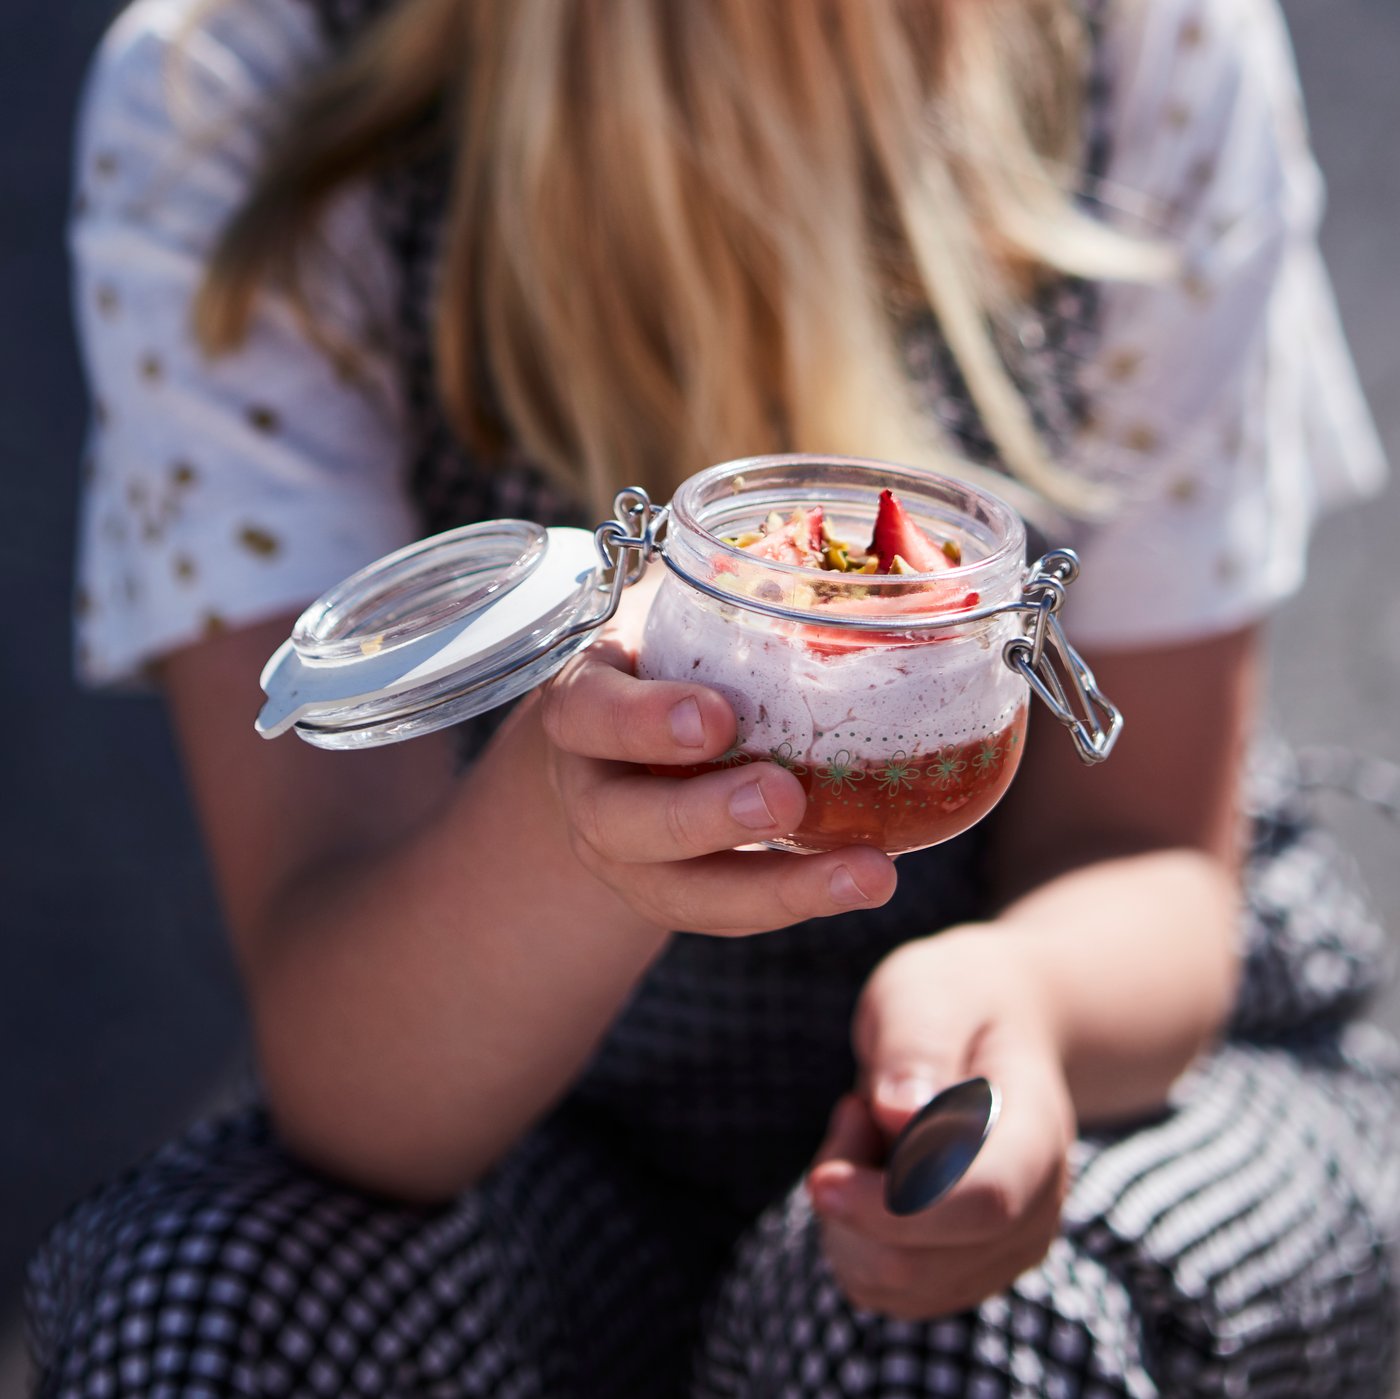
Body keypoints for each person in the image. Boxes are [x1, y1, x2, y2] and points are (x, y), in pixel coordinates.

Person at [28, 0, 1400, 1393]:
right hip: (555, 1136)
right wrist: (570, 823)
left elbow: (1154, 860)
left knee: (968, 1347)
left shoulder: (1139, 44)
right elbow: (358, 1093)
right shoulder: (243, 87)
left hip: (1094, 1078)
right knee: (195, 1310)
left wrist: (1021, 1005)